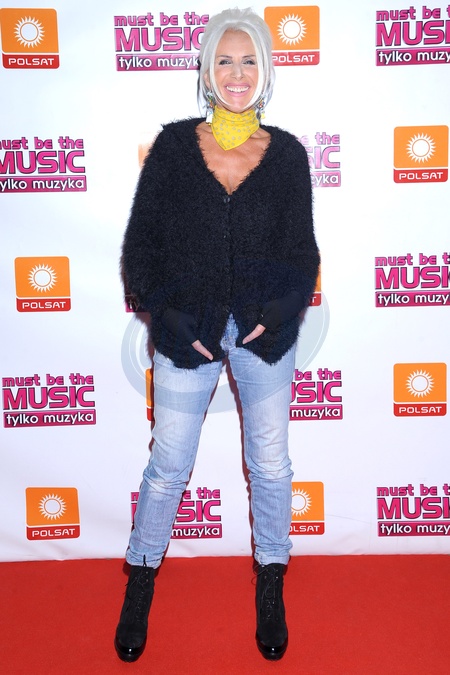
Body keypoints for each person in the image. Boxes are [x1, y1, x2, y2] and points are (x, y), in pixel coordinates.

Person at [115, 7, 320, 663]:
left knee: (271, 463)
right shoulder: (174, 149)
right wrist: (165, 314)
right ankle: (140, 578)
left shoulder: (287, 156)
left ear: (265, 71)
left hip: (266, 336)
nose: (237, 73)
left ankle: (271, 580)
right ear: (207, 71)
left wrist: (281, 311)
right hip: (186, 332)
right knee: (169, 463)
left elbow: (302, 254)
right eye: (224, 61)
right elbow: (140, 249)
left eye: (249, 60)